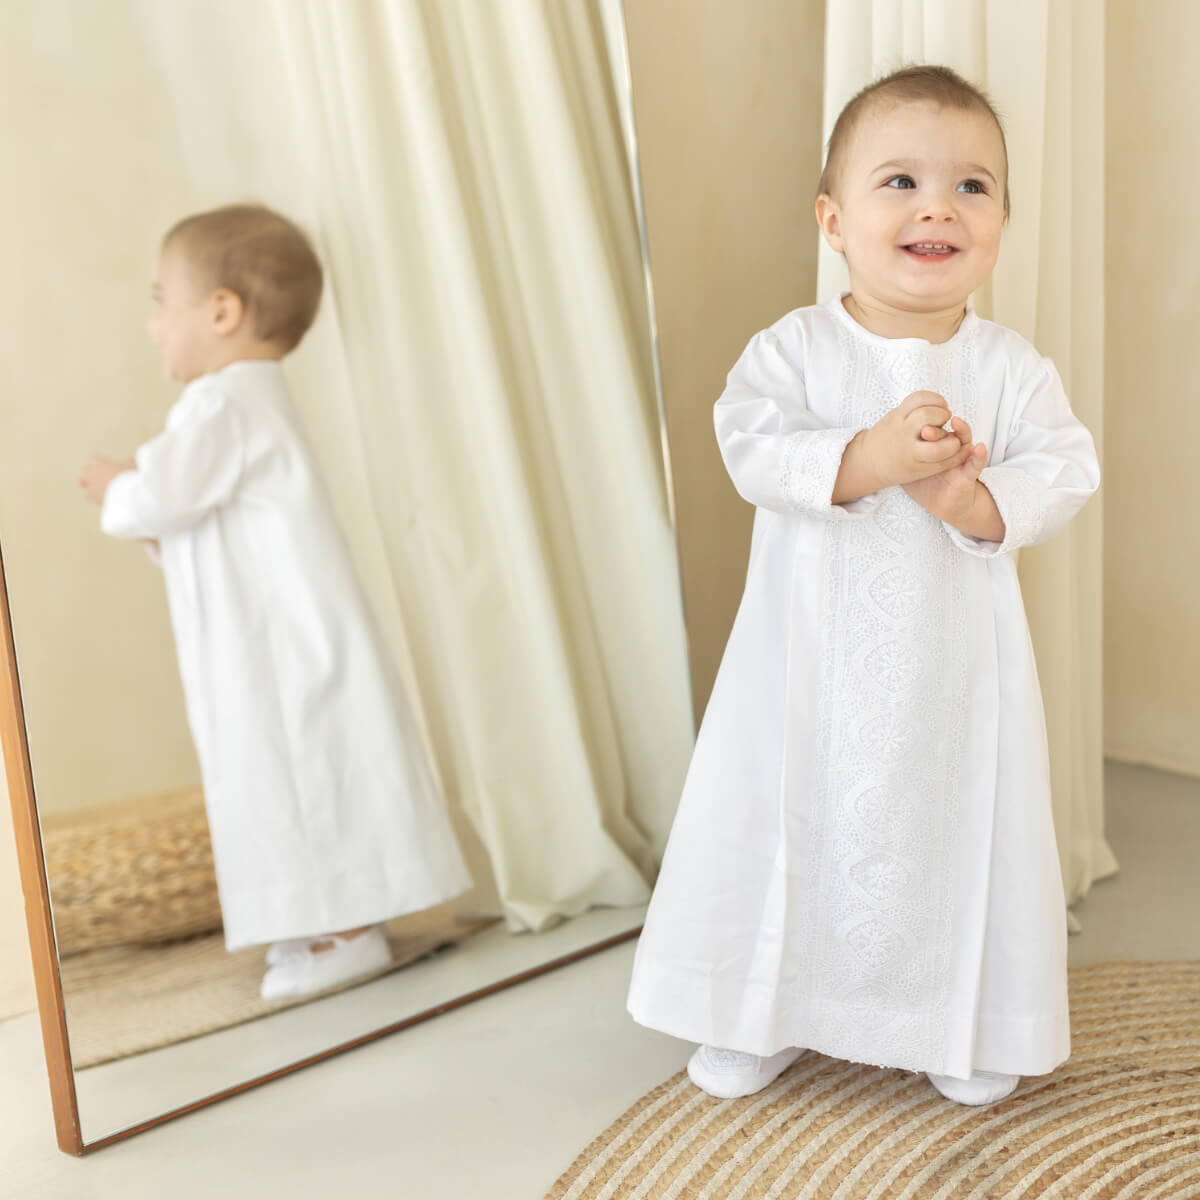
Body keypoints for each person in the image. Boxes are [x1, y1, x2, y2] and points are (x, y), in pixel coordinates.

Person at [626, 65, 1100, 1107]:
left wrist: (975, 504)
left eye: (973, 187)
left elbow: (1066, 467)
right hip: (805, 662)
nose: (938, 204)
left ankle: (958, 1013)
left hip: (954, 671)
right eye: (901, 181)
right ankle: (761, 1006)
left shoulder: (1011, 367)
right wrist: (871, 460)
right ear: (835, 221)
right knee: (786, 815)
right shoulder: (795, 349)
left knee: (954, 821)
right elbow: (749, 445)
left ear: (1003, 222)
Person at [79, 204, 472, 1000]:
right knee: (298, 779)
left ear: (222, 311)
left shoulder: (222, 404)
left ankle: (344, 931)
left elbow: (161, 497)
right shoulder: (249, 404)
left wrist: (114, 484)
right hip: (276, 642)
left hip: (278, 655)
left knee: (296, 779)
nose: (153, 324)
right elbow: (199, 518)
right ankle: (329, 923)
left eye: (162, 300)